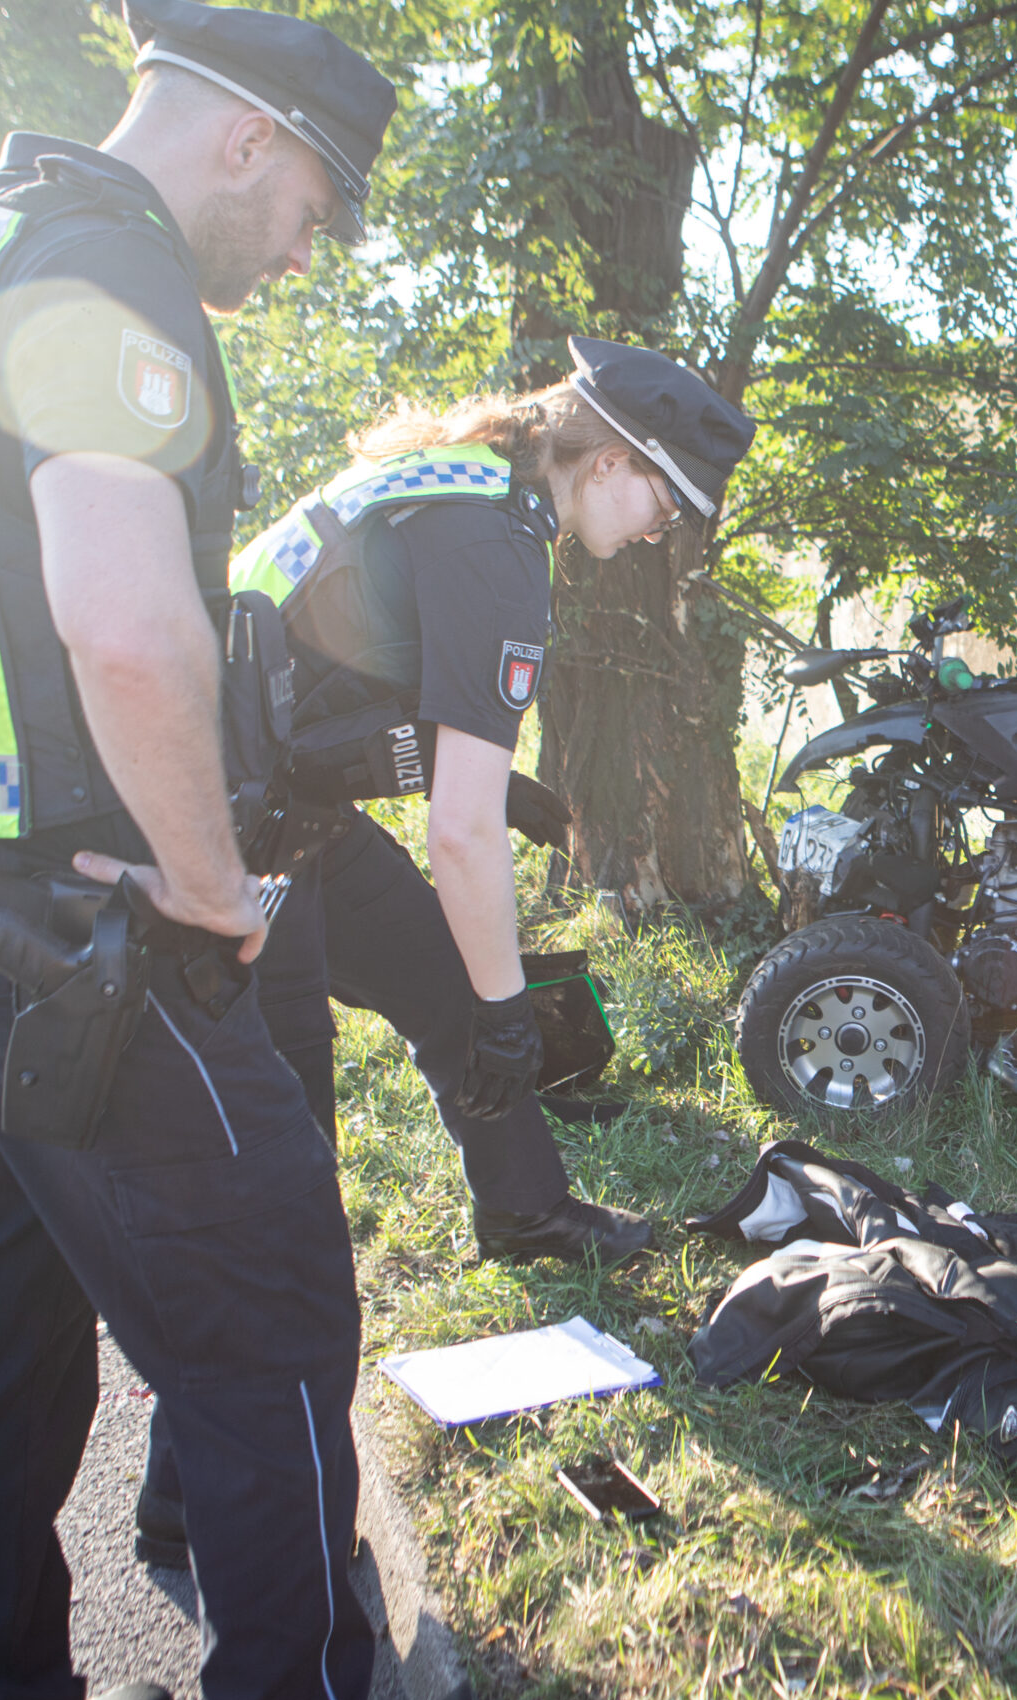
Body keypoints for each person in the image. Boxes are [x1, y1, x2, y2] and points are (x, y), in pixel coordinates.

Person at [0, 4, 396, 1700]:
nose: (301, 252)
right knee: (270, 1334)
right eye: (309, 211)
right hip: (101, 945)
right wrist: (214, 894)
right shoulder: (108, 282)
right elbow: (131, 631)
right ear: (250, 139)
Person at [129, 336, 755, 1569]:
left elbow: (342, 674)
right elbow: (460, 836)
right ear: (615, 459)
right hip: (236, 853)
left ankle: (522, 1211)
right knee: (283, 1194)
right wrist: (512, 1002)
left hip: (283, 808)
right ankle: (199, 1511)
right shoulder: (496, 544)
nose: (659, 536)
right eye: (664, 508)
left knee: (447, 999)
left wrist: (493, 852)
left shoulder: (459, 478)